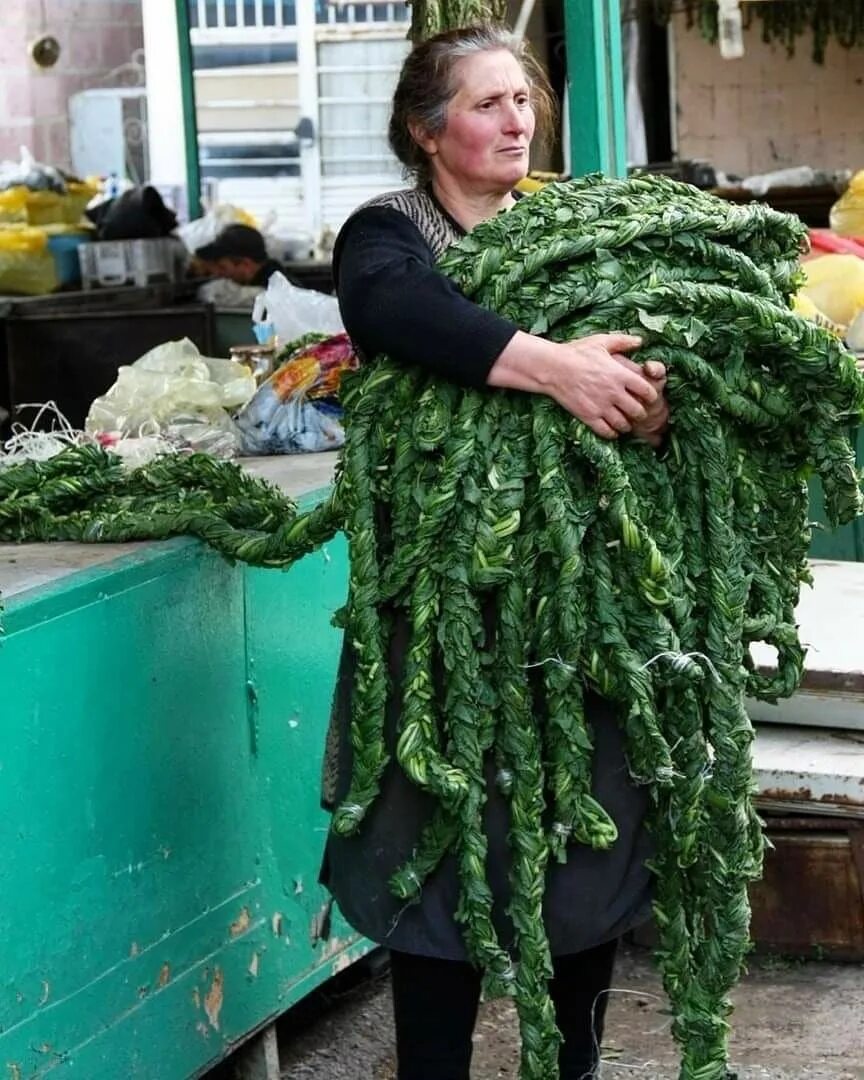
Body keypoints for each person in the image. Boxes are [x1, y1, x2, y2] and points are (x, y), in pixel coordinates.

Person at [322, 24, 669, 1080]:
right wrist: (557, 370)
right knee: (440, 859)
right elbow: (395, 309)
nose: (518, 120)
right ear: (428, 133)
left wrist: (651, 405)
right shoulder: (390, 234)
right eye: (487, 104)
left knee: (584, 850)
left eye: (523, 100)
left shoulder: (575, 231)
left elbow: (658, 358)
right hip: (437, 616)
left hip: (578, 605)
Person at [193, 223, 285, 286]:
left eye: (223, 267)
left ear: (246, 264)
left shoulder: (273, 291)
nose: (217, 274)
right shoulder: (275, 276)